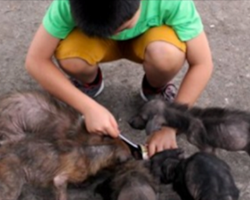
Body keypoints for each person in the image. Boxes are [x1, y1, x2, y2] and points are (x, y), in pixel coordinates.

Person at [25, 0, 213, 157]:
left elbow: (202, 64)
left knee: (167, 56)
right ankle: (89, 83)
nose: (118, 34)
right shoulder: (66, 4)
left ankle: (154, 88)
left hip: (152, 38)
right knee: (72, 59)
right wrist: (88, 107)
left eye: (125, 26)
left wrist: (172, 124)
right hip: (96, 44)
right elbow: (35, 61)